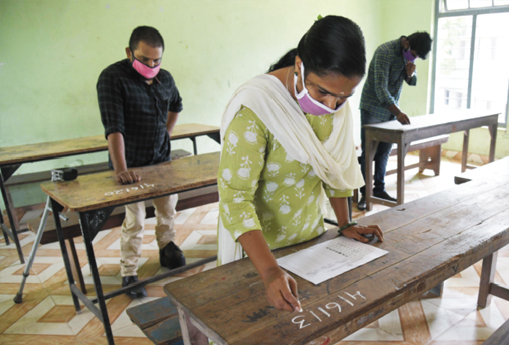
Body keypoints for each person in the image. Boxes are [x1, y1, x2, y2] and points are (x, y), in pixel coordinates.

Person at [218, 15, 384, 314]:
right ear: (299, 66)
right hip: (259, 254)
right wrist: (270, 272)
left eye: (344, 97)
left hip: (313, 244)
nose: (330, 106)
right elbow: (235, 200)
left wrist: (345, 222)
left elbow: (335, 168)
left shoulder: (335, 102)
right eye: (322, 92)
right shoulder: (255, 109)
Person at [97, 26, 186, 298]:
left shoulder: (165, 78)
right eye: (144, 59)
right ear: (129, 52)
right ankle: (129, 272)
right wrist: (121, 169)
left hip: (160, 160)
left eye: (156, 60)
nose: (151, 65)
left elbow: (177, 106)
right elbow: (114, 127)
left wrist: (166, 136)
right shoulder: (112, 78)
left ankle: (167, 247)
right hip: (131, 163)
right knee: (134, 219)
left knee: (168, 207)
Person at [357, 32, 432, 211]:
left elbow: (411, 82)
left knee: (384, 152)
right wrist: (398, 113)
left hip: (390, 110)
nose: (413, 58)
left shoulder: (410, 55)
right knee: (369, 153)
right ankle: (364, 194)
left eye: (417, 57)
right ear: (406, 44)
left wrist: (409, 74)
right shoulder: (385, 52)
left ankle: (379, 190)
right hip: (373, 108)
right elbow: (381, 88)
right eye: (413, 54)